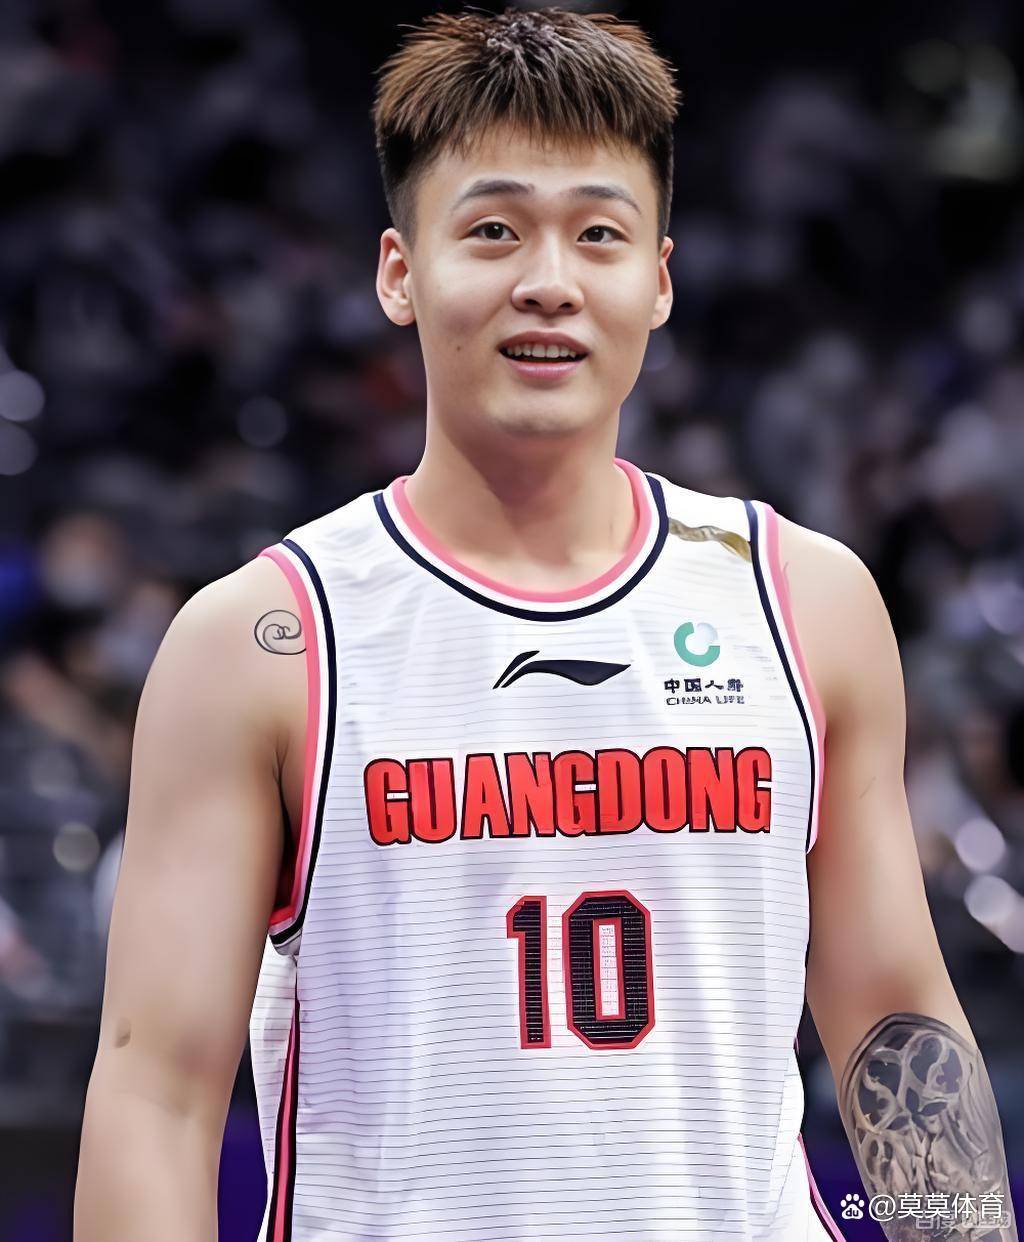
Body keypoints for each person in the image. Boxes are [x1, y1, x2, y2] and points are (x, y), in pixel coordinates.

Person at [74, 8, 1018, 1241]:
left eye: (598, 234)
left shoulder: (806, 599)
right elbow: (155, 1092)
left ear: (659, 280)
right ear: (398, 272)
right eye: (493, 230)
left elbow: (895, 1017)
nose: (549, 282)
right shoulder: (263, 640)